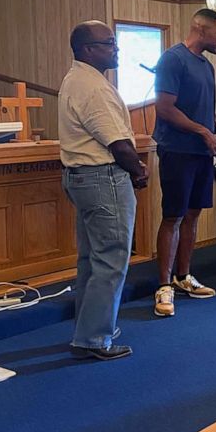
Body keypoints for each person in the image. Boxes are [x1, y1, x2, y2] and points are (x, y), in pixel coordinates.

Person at [59, 21, 149, 361]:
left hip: (81, 177)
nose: (116, 49)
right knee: (111, 259)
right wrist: (139, 171)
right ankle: (95, 339)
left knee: (91, 260)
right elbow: (118, 144)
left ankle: (89, 330)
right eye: (109, 43)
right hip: (102, 178)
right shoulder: (92, 88)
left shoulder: (77, 79)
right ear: (87, 49)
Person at [152, 8, 216, 318]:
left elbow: (204, 109)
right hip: (177, 150)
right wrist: (202, 132)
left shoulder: (206, 67)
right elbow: (165, 108)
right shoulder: (173, 59)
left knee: (194, 214)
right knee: (173, 216)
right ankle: (163, 286)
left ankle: (183, 277)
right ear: (200, 29)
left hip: (201, 153)